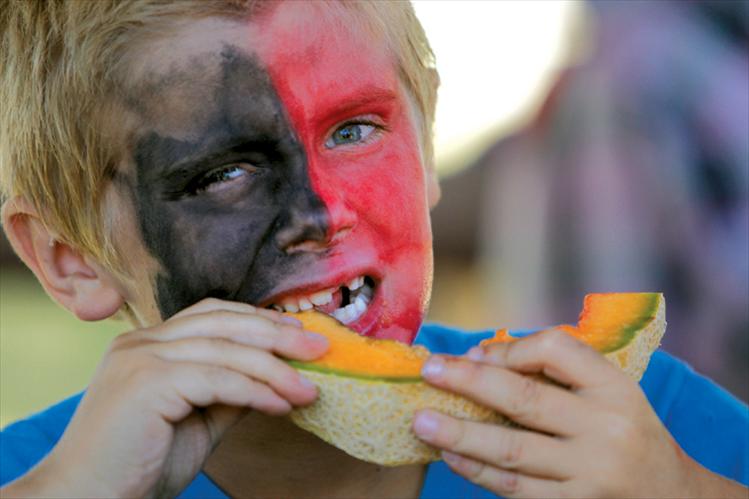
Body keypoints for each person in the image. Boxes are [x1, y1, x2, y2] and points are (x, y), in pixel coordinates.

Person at [0, 1, 746, 498]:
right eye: (223, 173)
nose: (319, 212)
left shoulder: (650, 433)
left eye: (353, 130)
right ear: (70, 258)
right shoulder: (42, 477)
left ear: (425, 144)